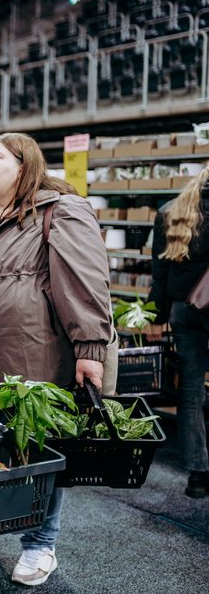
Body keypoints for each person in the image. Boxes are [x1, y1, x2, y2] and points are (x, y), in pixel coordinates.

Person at [0, 133, 112, 586]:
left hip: (35, 352)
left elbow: (84, 282)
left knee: (39, 452)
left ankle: (40, 544)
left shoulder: (59, 211)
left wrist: (90, 350)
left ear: (22, 168)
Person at [147, 165, 209, 499]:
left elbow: (159, 271)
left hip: (183, 311)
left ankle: (198, 474)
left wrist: (155, 317)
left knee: (191, 391)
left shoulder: (170, 212)